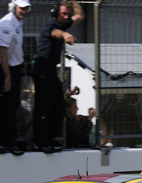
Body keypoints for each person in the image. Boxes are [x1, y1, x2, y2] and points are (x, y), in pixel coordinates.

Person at [32, 0, 84, 153]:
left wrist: (74, 2)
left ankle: (52, 139)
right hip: (41, 69)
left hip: (51, 70)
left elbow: (80, 15)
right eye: (64, 13)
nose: (67, 16)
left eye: (68, 14)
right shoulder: (52, 27)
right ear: (55, 14)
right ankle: (40, 142)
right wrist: (66, 34)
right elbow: (56, 33)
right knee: (43, 107)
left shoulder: (63, 24)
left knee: (59, 106)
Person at [0, 0, 31, 156]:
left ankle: (7, 141)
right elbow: (3, 52)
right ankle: (0, 141)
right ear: (14, 7)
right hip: (5, 68)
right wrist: (7, 77)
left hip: (14, 67)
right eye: (22, 8)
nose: (24, 11)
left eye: (26, 8)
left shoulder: (18, 22)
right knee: (7, 107)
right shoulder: (6, 24)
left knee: (12, 106)